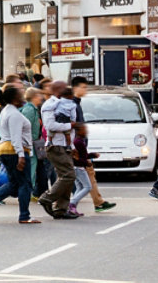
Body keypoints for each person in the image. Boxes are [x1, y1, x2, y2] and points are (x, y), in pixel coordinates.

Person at [0, 84, 38, 224]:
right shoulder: (14, 114)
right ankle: (24, 215)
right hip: (15, 150)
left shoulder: (7, 110)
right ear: (14, 99)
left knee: (14, 183)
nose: (23, 97)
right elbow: (15, 136)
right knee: (25, 183)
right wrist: (21, 156)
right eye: (20, 95)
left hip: (7, 149)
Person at [70, 79, 115, 213]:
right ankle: (93, 202)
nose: (85, 90)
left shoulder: (76, 103)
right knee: (86, 177)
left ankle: (97, 202)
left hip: (80, 145)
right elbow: (75, 126)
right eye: (83, 87)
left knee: (85, 178)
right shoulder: (73, 104)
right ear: (75, 88)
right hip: (78, 145)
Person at [40, 80, 79, 219]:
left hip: (65, 145)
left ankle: (61, 209)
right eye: (64, 88)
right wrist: (70, 125)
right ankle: (47, 198)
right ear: (57, 90)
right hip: (55, 145)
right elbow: (50, 125)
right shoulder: (49, 105)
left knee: (65, 176)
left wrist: (72, 146)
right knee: (69, 176)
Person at [22, 87, 48, 199]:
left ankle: (30, 191)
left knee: (34, 169)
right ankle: (27, 193)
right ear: (33, 97)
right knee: (31, 170)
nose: (41, 98)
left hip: (33, 143)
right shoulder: (29, 110)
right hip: (30, 144)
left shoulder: (33, 109)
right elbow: (25, 127)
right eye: (38, 95)